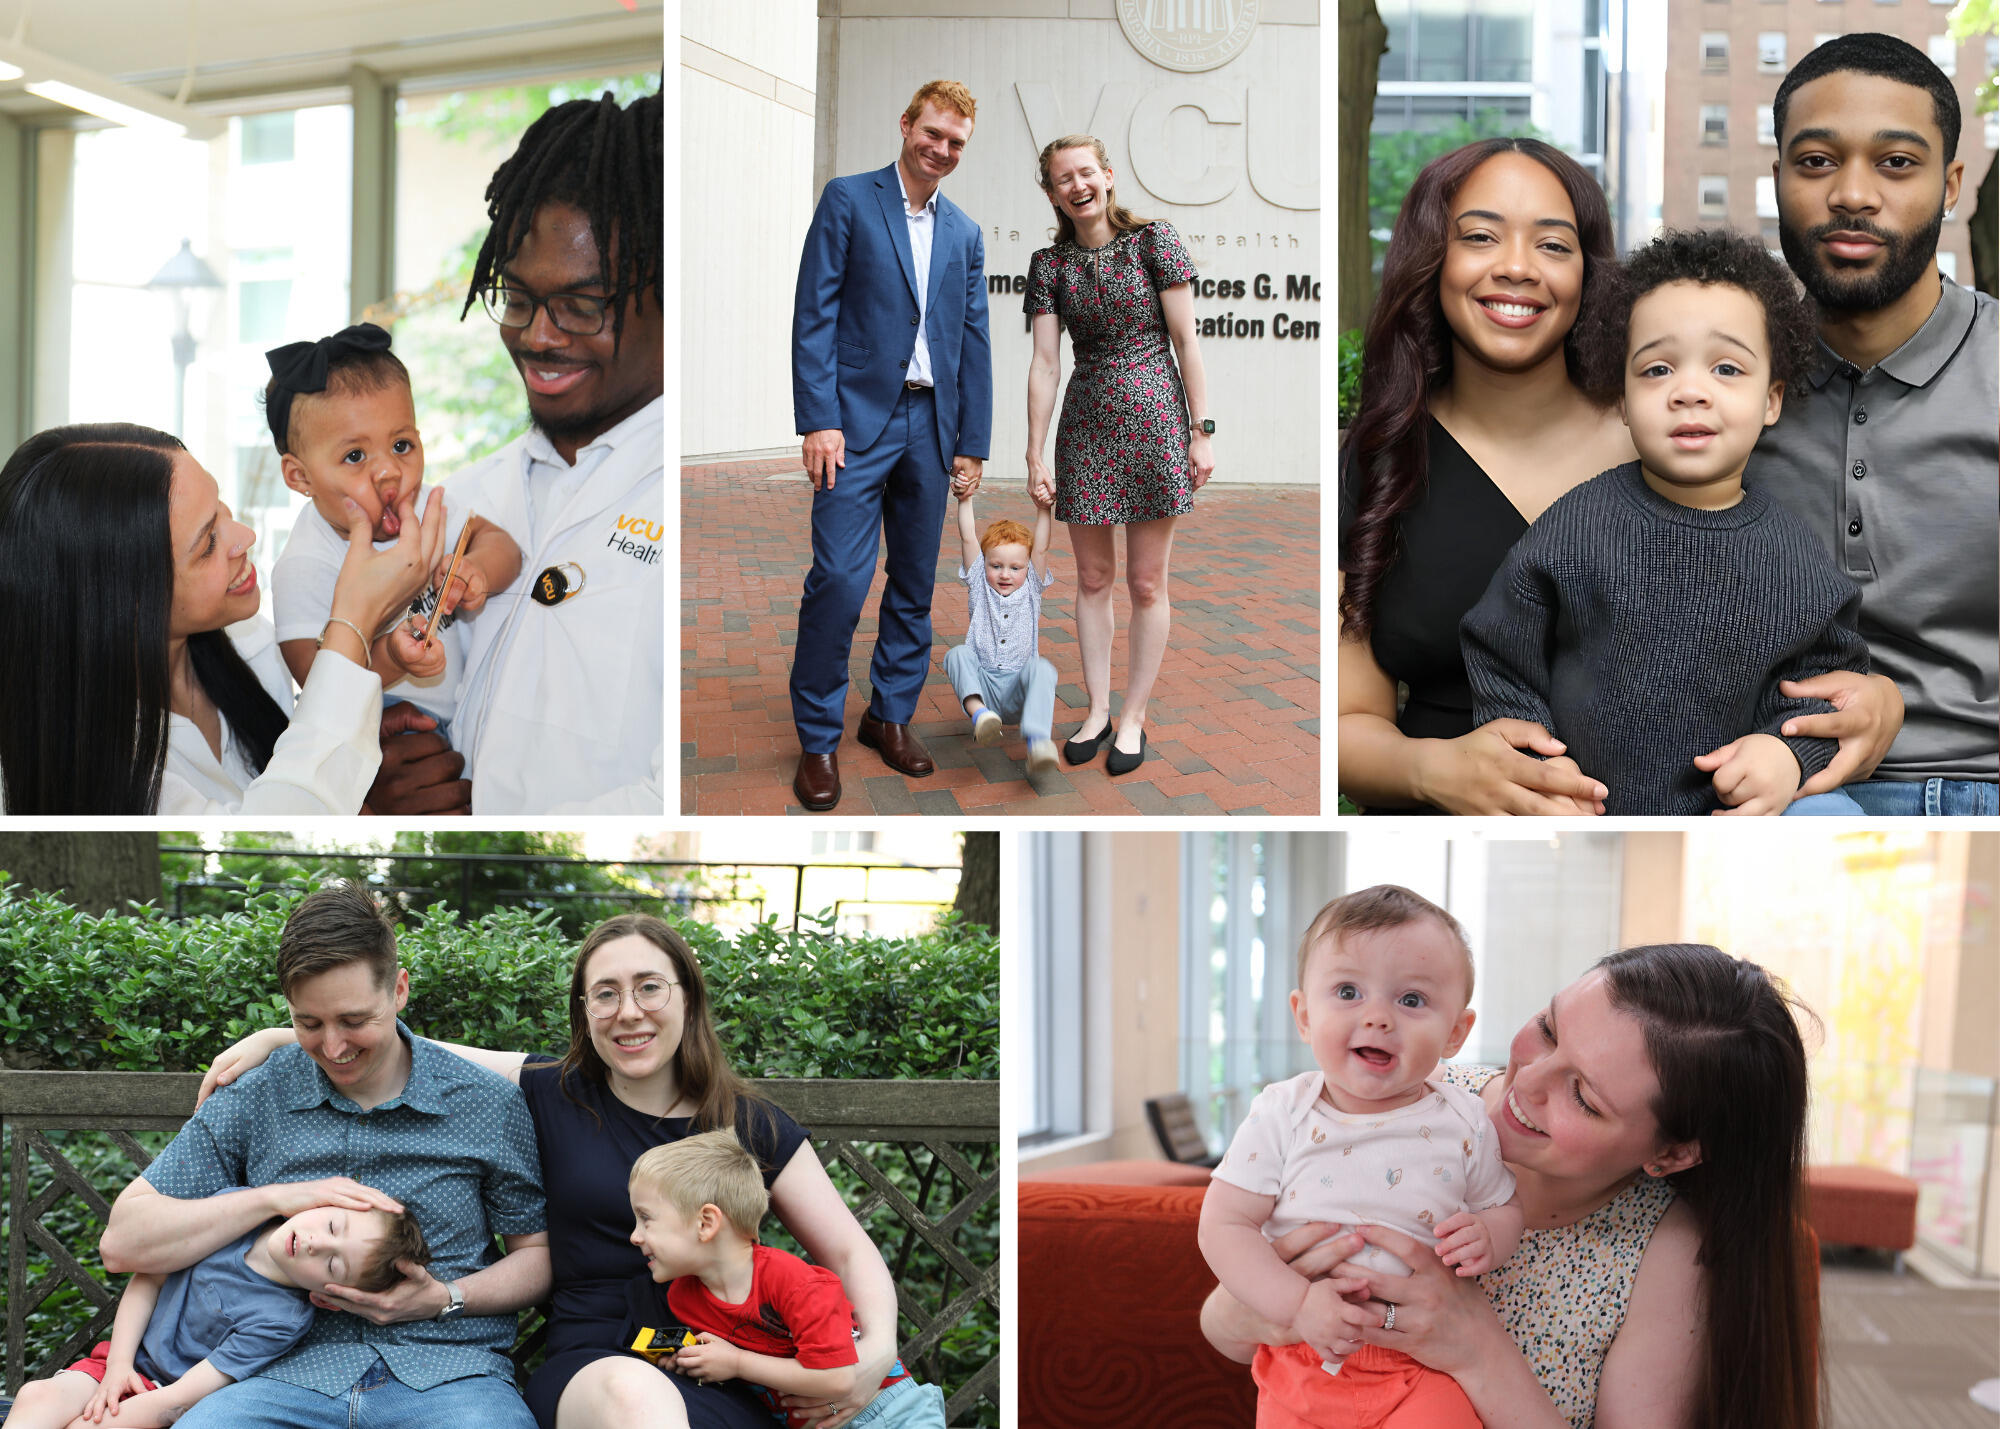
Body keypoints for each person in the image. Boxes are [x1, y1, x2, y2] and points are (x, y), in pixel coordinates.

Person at [1336, 139, 1897, 814]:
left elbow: (1821, 656)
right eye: (1481, 236)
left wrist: (1857, 712)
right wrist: (1443, 769)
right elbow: (1349, 721)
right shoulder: (1380, 461)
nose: (1517, 266)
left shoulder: (1697, 443)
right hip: (1491, 811)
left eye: (1553, 244)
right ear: (1433, 255)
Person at [200, 913, 903, 1429]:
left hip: (727, 1361)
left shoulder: (749, 1124)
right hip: (598, 1362)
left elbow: (846, 1249)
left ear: (687, 996)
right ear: (585, 1010)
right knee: (634, 1398)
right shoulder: (554, 1090)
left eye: (649, 988)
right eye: (606, 994)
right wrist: (286, 1038)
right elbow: (414, 1048)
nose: (628, 1012)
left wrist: (875, 1352)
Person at [1201, 942, 1819, 1429]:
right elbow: (1220, 1326)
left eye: (1583, 1097)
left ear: (1672, 1153)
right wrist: (1277, 1307)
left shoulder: (1665, 1250)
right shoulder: (1406, 1090)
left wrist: (1477, 1349)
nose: (1527, 1081)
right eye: (1548, 1029)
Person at [97, 883, 549, 1429]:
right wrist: (274, 1199)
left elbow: (536, 1256)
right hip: (275, 1375)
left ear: (399, 990)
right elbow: (122, 1244)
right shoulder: (258, 1092)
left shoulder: (485, 1103)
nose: (333, 1048)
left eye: (354, 1021)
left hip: (449, 1373)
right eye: (308, 1024)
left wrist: (445, 1297)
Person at [1461, 229, 1871, 816]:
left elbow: (1828, 684)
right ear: (1623, 402)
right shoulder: (1580, 524)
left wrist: (1787, 755)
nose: (1690, 392)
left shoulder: (1791, 555)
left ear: (1772, 400)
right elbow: (1499, 648)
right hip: (1580, 806)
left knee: (1834, 818)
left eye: (1727, 368)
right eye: (1657, 370)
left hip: (1734, 819)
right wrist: (1535, 756)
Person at [373, 90, 665, 815]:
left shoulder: (677, 502)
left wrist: (491, 819)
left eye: (582, 306)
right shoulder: (465, 498)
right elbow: (427, 692)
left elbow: (672, 791)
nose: (537, 335)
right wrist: (393, 751)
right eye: (518, 298)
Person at [1758, 33, 1999, 816]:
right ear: (1778, 178)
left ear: (1951, 183)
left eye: (1896, 162)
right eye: (1816, 161)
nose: (1853, 195)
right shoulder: (1719, 389)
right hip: (1784, 790)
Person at [1198, 887, 1521, 1428]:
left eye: (1411, 1000)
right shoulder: (1283, 1111)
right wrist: (1297, 1304)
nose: (1378, 1018)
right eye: (1348, 992)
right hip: (1302, 1357)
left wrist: (1489, 1235)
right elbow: (1223, 1225)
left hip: (1422, 1363)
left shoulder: (1464, 1119)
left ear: (1455, 1033)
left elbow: (1503, 1205)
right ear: (1304, 1015)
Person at [0, 424, 443, 814]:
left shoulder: (251, 644)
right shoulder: (100, 774)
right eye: (208, 543)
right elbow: (282, 817)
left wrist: (362, 747)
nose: (245, 537)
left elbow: (298, 768)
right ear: (125, 602)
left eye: (222, 510)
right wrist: (354, 619)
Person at [789, 79, 993, 813]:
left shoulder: (965, 232)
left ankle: (889, 716)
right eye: (932, 133)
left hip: (932, 427)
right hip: (851, 425)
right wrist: (818, 418)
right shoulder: (849, 199)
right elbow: (814, 311)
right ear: (906, 125)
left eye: (956, 142)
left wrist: (972, 441)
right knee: (840, 580)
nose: (941, 149)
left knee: (913, 585)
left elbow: (973, 338)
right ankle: (818, 738)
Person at [1024, 134, 1213, 777]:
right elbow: (1045, 363)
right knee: (1093, 579)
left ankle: (1134, 716)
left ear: (1107, 176)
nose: (1077, 186)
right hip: (1086, 426)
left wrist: (1201, 430)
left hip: (1156, 420)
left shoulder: (1154, 241)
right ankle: (1098, 710)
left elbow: (1187, 341)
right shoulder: (1049, 266)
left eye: (1086, 173)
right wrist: (1034, 451)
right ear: (1051, 193)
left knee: (1146, 582)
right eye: (1063, 179)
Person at [267, 323, 523, 742]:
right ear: (300, 477)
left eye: (401, 446)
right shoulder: (305, 563)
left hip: (462, 716)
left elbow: (504, 546)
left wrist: (477, 569)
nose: (389, 471)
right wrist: (389, 655)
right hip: (373, 730)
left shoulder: (424, 508)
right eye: (355, 455)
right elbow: (316, 681)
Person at [622, 1131, 948, 1428]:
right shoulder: (684, 1298)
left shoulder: (793, 1283)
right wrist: (692, 1359)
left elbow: (838, 1378)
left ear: (706, 1223)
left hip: (890, 1413)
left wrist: (737, 1362)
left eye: (646, 1219)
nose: (635, 1236)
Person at [7, 1203, 428, 1429]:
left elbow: (180, 1398)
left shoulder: (282, 1318)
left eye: (333, 1265)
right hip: (117, 1361)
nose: (317, 1244)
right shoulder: (234, 1222)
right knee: (36, 1397)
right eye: (333, 1226)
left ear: (329, 1299)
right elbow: (149, 1279)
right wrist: (117, 1366)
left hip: (164, 1396)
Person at [941, 485, 1059, 772]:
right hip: (983, 688)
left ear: (1027, 569)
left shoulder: (1032, 587)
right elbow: (968, 537)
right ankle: (980, 716)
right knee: (957, 654)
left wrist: (1044, 509)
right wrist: (965, 499)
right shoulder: (979, 583)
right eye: (996, 566)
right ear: (985, 565)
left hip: (1019, 690)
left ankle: (1038, 743)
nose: (1005, 574)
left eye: (1015, 568)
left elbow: (1041, 548)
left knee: (1043, 669)